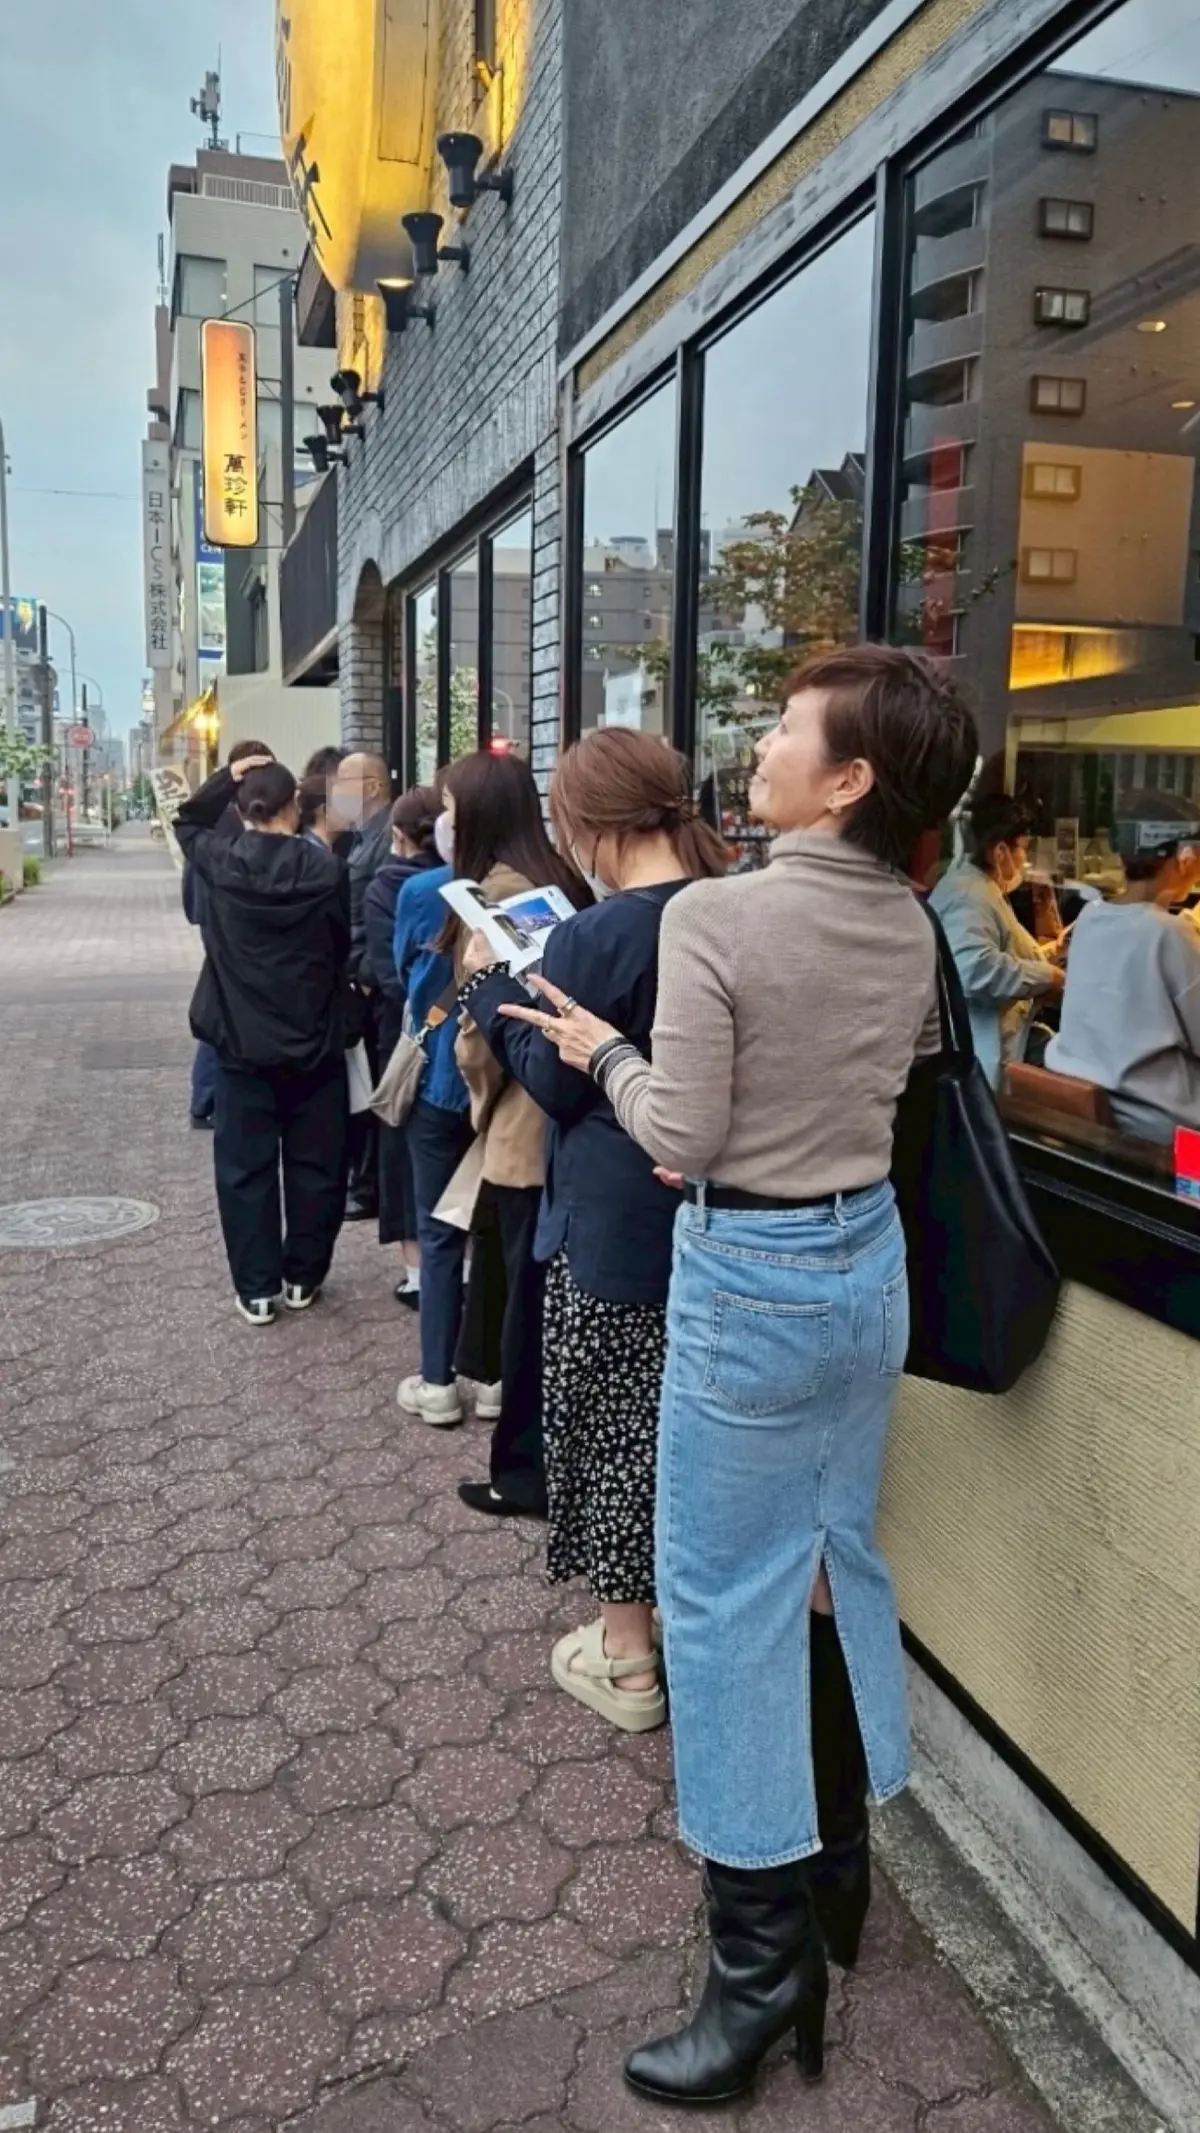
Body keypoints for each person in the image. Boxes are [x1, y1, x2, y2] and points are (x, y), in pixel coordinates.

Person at [500, 645, 978, 2106]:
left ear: (846, 780)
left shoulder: (719, 916)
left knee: (716, 1611)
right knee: (833, 1557)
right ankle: (841, 1867)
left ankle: (757, 1973)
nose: (758, 745)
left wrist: (599, 1053)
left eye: (785, 730)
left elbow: (686, 1136)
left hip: (754, 1279)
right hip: (864, 1269)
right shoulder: (909, 922)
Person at [458, 727, 725, 1728]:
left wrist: (492, 991)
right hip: (716, 1221)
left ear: (585, 827)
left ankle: (625, 1658)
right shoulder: (727, 907)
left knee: (614, 1433)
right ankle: (693, 1637)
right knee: (689, 1438)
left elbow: (554, 1090)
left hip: (612, 1223)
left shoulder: (595, 936)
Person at [413, 751, 588, 1516]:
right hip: (566, 1123)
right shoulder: (559, 884)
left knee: (525, 1314)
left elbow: (489, 1031)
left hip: (525, 1131)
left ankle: (524, 1475)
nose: (442, 820)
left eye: (450, 805)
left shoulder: (499, 901)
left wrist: (475, 1092)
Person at [175, 756, 351, 1327]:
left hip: (238, 1041)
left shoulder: (221, 862)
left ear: (244, 810)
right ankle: (304, 1276)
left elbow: (188, 823)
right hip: (314, 1039)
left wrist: (228, 775)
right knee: (316, 1163)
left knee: (244, 1168)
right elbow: (338, 949)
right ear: (293, 806)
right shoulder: (325, 871)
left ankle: (256, 1288)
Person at [1046, 836, 1200, 1143]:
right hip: (1163, 1127)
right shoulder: (1170, 934)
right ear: (1184, 858)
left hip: (1088, 1106)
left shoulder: (1089, 917)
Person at [365, 787, 442, 1304]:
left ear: (397, 834)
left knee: (402, 1150)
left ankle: (417, 1271)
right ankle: (455, 1265)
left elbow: (383, 972)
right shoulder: (471, 881)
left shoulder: (386, 889)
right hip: (467, 1031)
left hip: (404, 1038)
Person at [929, 795, 1062, 1089]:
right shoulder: (970, 896)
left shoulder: (979, 889)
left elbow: (1000, 948)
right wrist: (1047, 977)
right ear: (1000, 851)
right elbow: (973, 969)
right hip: (980, 1051)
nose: (1024, 860)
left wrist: (1051, 953)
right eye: (1022, 850)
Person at [184, 739, 275, 1129]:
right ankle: (205, 1097)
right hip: (224, 920)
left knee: (226, 1002)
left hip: (219, 920)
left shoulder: (222, 816)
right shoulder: (228, 817)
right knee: (227, 1002)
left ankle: (205, 1098)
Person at [331, 752, 394, 1221]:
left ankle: (371, 1185)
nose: (338, 791)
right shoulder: (361, 836)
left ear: (372, 786)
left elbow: (381, 916)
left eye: (345, 782)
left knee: (373, 1085)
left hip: (373, 986)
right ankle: (366, 1179)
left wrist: (368, 976)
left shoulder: (389, 835)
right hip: (358, 978)